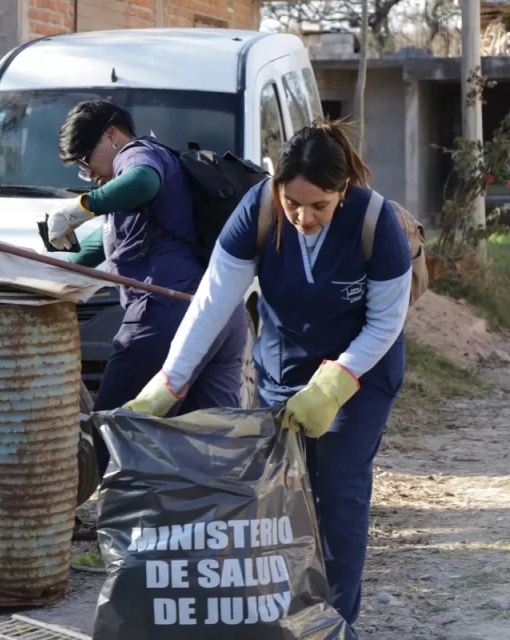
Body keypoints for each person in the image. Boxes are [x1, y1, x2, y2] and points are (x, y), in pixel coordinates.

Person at [124, 119, 412, 627]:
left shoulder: (376, 222)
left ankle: (334, 626)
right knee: (277, 502)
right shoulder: (257, 211)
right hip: (282, 369)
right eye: (292, 203)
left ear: (343, 190)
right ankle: (282, 619)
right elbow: (215, 300)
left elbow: (386, 320)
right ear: (277, 187)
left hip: (359, 377)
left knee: (338, 498)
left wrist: (334, 383)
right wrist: (170, 381)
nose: (304, 216)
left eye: (319, 205)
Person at [47, 99, 249, 573]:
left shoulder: (139, 156)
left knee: (118, 426)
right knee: (204, 437)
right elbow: (96, 250)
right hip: (220, 316)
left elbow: (140, 182)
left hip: (166, 314)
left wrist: (81, 206)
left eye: (85, 161)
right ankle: (209, 546)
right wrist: (35, 268)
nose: (87, 175)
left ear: (112, 136)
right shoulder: (150, 188)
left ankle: (117, 543)